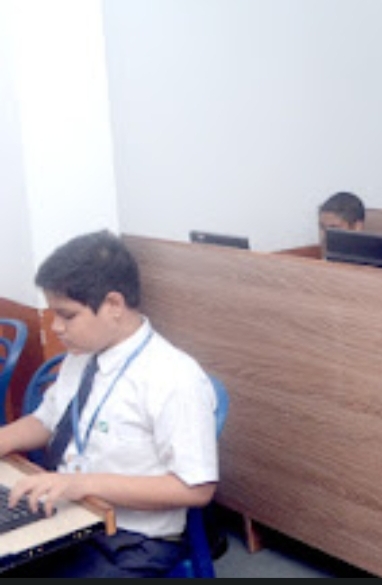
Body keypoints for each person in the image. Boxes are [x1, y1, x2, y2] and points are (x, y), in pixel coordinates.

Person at [0, 230, 219, 577]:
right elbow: (46, 420)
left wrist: (83, 484)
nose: (56, 327)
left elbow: (196, 488)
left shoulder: (173, 378)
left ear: (114, 305)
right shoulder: (81, 356)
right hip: (73, 515)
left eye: (67, 315)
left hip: (133, 540)